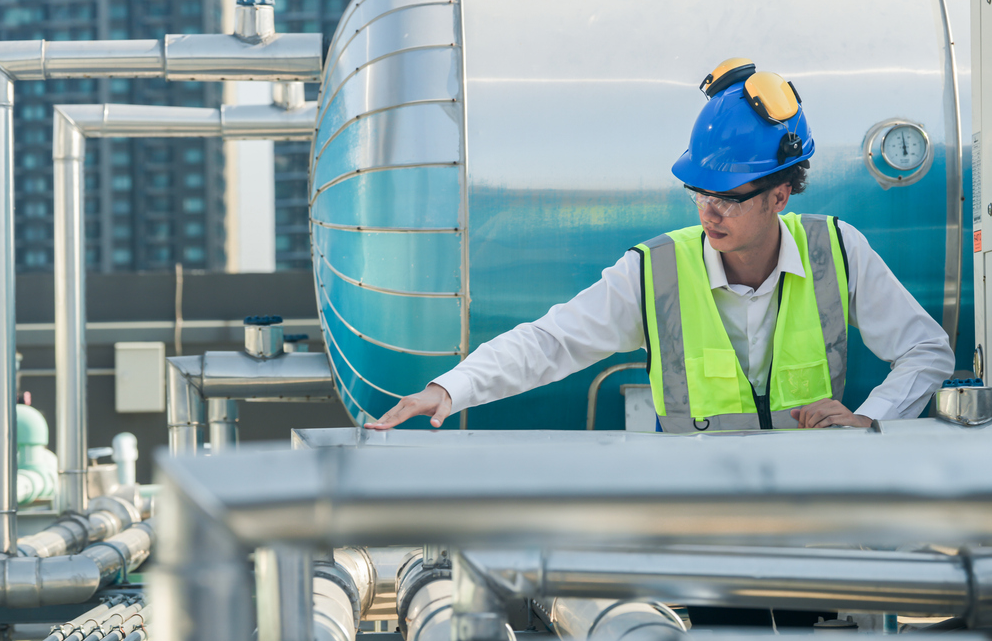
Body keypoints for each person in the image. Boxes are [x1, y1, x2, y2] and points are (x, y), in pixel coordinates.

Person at [365, 58, 955, 433]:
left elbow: (928, 351)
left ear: (780, 195)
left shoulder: (837, 252)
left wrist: (870, 422)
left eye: (729, 195)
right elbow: (550, 342)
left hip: (814, 528)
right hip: (698, 538)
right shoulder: (655, 272)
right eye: (699, 192)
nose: (709, 211)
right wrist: (451, 388)